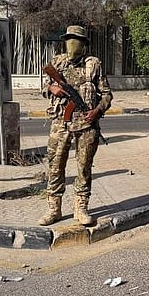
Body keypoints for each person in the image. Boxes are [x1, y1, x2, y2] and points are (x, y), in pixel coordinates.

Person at [38, 25, 113, 226]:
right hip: (60, 122)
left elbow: (107, 94)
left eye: (76, 40)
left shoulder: (93, 64)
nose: (72, 44)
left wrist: (97, 111)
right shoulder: (57, 62)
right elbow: (44, 86)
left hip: (86, 124)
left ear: (84, 44)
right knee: (55, 166)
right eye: (69, 39)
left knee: (84, 167)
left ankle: (81, 208)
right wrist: (52, 88)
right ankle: (54, 208)